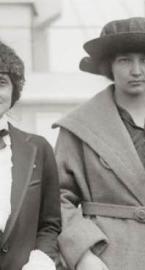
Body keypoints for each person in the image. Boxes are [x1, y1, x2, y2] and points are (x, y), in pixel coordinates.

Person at [54, 17, 145, 270]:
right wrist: (82, 254)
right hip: (108, 256)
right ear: (109, 66)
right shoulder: (80, 126)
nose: (137, 70)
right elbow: (56, 197)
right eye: (125, 60)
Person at [0, 41, 60, 270]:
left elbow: (50, 224)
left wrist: (40, 260)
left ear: (14, 90)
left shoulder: (38, 149)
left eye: (1, 82)